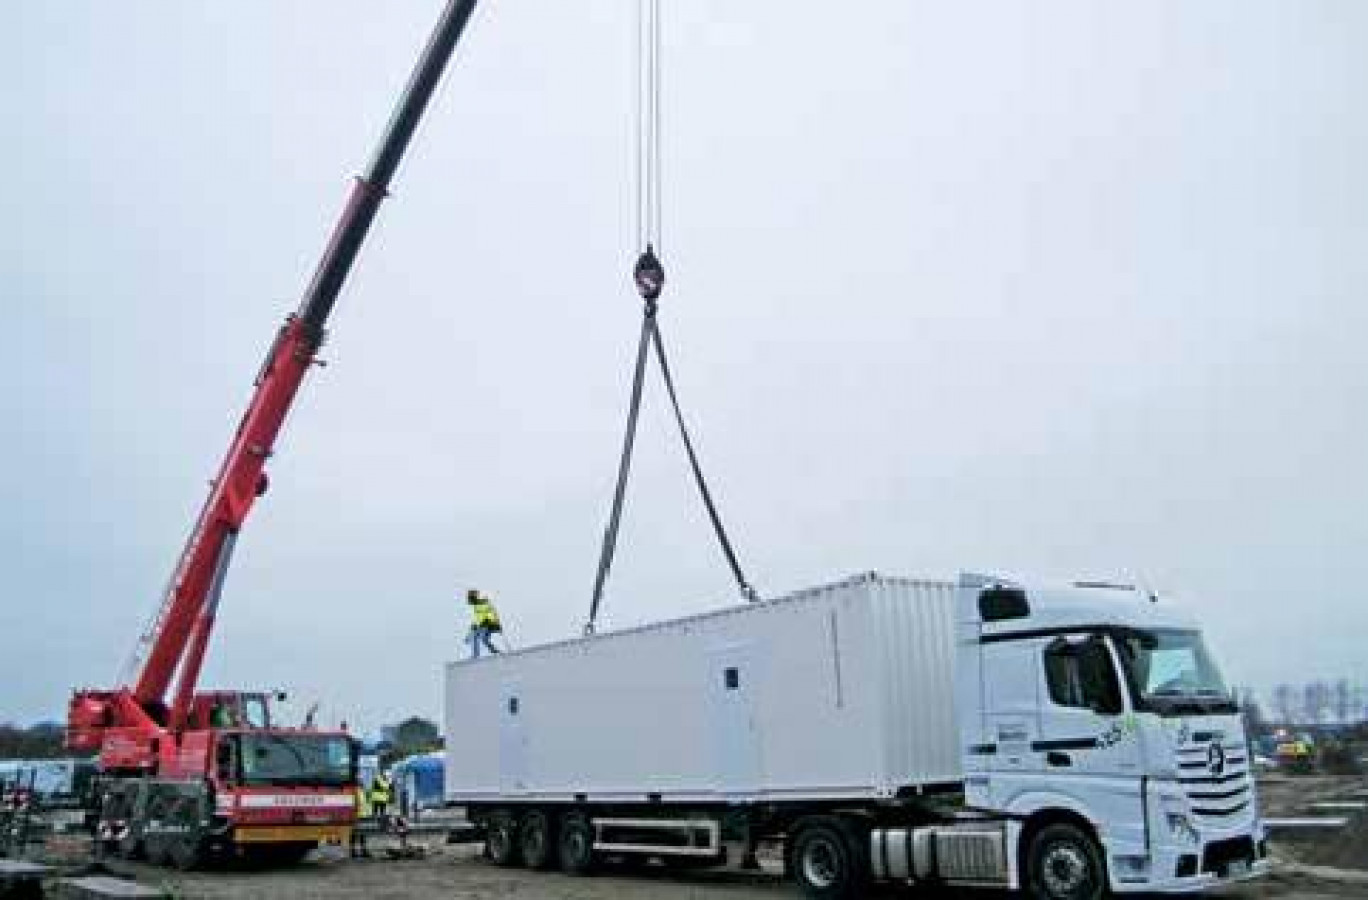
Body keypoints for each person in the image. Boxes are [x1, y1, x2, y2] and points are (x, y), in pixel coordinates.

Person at [465, 589, 503, 658]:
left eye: (470, 598)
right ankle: (495, 652)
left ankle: (476, 655)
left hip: (486, 624)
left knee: (479, 638)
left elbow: (491, 612)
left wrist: (496, 622)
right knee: (479, 638)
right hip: (481, 625)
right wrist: (474, 625)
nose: (470, 602)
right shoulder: (475, 606)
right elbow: (478, 617)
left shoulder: (482, 604)